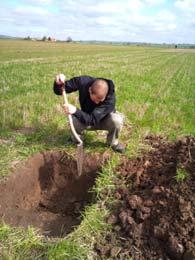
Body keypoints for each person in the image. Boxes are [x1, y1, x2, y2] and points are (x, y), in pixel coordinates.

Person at [53, 74, 125, 153]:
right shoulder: (82, 82)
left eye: (100, 100)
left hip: (104, 120)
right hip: (86, 119)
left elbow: (92, 120)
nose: (97, 102)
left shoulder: (110, 99)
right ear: (90, 90)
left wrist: (75, 111)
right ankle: (77, 140)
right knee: (74, 121)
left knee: (116, 120)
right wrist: (59, 84)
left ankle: (112, 143)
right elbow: (59, 91)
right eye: (95, 100)